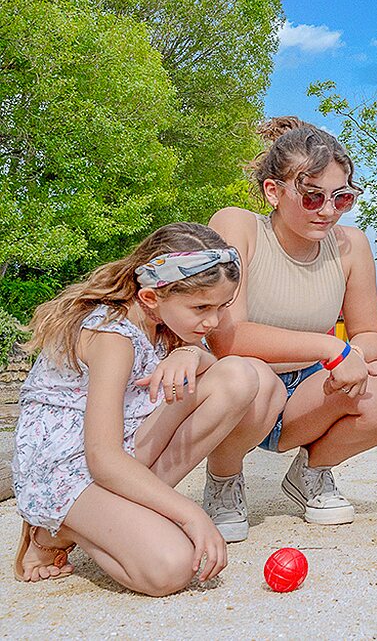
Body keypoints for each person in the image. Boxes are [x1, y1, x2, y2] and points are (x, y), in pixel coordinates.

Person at [12, 224, 271, 594]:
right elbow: (102, 457)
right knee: (171, 568)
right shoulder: (113, 337)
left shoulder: (168, 324)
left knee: (241, 376)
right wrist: (189, 513)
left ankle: (120, 519)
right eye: (201, 307)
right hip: (70, 469)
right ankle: (54, 530)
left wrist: (190, 353)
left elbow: (221, 374)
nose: (213, 321)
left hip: (125, 449)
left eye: (222, 307)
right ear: (150, 297)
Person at [207, 118, 377, 538]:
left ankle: (312, 471)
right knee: (253, 377)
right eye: (312, 197)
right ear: (273, 191)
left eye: (341, 198)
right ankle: (224, 477)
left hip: (308, 391)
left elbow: (370, 334)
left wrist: (351, 357)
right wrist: (331, 349)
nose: (327, 211)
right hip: (242, 390)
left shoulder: (351, 245)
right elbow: (227, 337)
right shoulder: (237, 226)